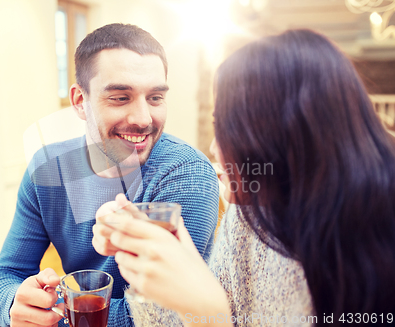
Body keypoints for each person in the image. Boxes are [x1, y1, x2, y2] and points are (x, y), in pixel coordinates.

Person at [99, 29, 395, 326]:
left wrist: (210, 316)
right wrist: (168, 266)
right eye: (120, 97)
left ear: (281, 136)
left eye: (226, 127)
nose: (214, 148)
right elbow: (200, 309)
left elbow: (213, 314)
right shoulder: (247, 214)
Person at [0, 23, 220, 327]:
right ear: (80, 101)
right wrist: (15, 303)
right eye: (121, 97)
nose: (143, 119)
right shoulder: (47, 169)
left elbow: (160, 314)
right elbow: (2, 278)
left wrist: (56, 313)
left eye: (156, 97)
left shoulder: (186, 172)